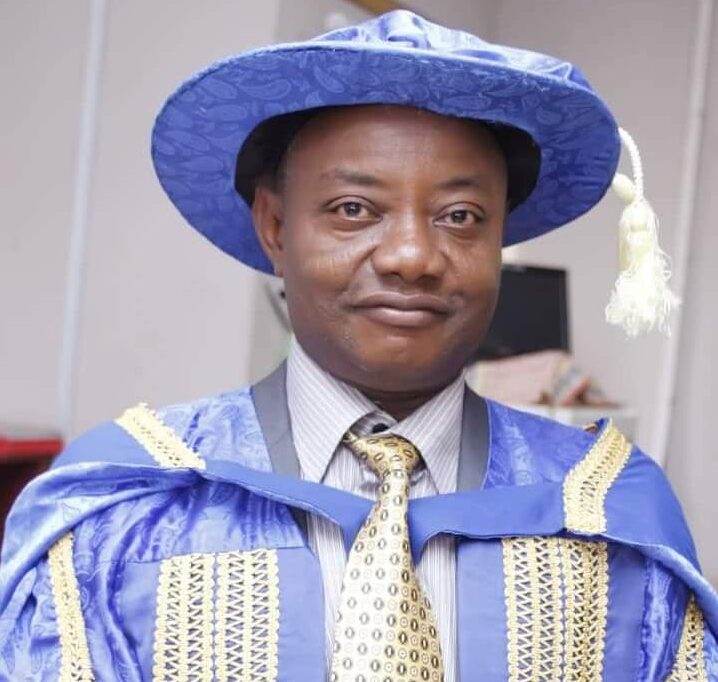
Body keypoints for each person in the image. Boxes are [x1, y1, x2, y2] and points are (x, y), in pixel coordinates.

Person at [1, 9, 716, 681]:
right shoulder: (120, 512)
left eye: (461, 216)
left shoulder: (606, 514)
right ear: (275, 227)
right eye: (354, 209)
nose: (411, 256)